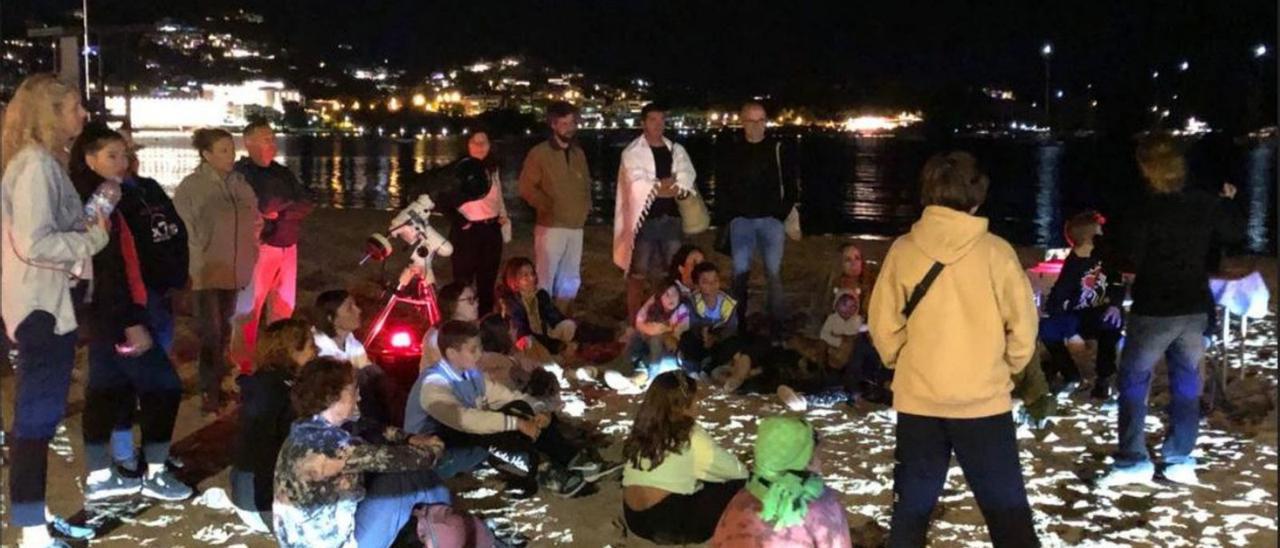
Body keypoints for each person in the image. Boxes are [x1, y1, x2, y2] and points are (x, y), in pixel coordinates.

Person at [867, 151, 1039, 547]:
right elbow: (1024, 328)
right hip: (982, 400)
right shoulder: (996, 252)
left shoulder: (904, 250)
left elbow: (882, 323)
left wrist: (901, 360)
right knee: (1007, 513)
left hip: (920, 398)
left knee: (911, 511)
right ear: (977, 194)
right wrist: (1008, 366)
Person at [1096, 134, 1243, 488]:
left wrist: (1103, 240)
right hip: (1194, 307)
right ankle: (1179, 457)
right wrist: (1227, 203)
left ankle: (1134, 458)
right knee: (1187, 383)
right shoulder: (1203, 203)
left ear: (1146, 169)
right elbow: (1234, 232)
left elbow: (1125, 255)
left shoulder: (1143, 208)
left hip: (1154, 308)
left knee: (1134, 381)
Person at [1, 73, 108, 548]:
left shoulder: (39, 164)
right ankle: (31, 530)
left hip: (39, 303)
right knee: (36, 419)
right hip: (39, 310)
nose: (83, 116)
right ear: (51, 113)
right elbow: (34, 241)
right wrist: (92, 238)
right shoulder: (35, 166)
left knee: (36, 417)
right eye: (74, 108)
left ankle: (34, 516)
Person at [68, 125, 190, 502]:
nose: (122, 163)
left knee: (105, 389)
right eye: (112, 157)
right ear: (89, 158)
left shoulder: (104, 192)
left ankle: (102, 475)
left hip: (103, 314)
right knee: (165, 386)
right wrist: (130, 320)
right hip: (116, 314)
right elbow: (107, 267)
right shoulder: (101, 198)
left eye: (125, 155)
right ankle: (154, 471)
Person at [273, 357, 463, 548]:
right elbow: (413, 460)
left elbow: (367, 426)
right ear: (332, 396)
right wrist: (435, 447)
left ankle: (445, 527)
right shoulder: (330, 447)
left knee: (407, 481)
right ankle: (450, 530)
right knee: (407, 478)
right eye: (353, 390)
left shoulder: (305, 430)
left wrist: (408, 438)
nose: (359, 397)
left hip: (302, 539)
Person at [405, 321, 607, 497]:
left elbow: (507, 397)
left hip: (466, 442)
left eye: (480, 348)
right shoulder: (433, 384)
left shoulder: (471, 374)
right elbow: (465, 420)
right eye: (473, 350)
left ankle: (567, 457)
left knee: (517, 408)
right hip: (435, 457)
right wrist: (517, 423)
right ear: (451, 353)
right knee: (487, 427)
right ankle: (540, 469)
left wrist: (538, 411)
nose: (480, 354)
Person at [103, 128, 190, 477]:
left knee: (158, 379)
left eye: (131, 153)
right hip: (133, 299)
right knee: (129, 378)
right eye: (121, 154)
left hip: (161, 293)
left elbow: (175, 230)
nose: (130, 159)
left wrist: (180, 275)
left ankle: (156, 450)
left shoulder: (150, 188)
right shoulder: (107, 197)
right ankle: (124, 452)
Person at [174, 127, 261, 414]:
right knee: (210, 333)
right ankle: (208, 391)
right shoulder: (192, 187)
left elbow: (254, 219)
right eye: (223, 150)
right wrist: (196, 266)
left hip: (236, 270)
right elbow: (186, 231)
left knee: (224, 331)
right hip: (207, 271)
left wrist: (253, 249)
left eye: (231, 149)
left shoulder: (240, 183)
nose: (230, 155)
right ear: (206, 154)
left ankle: (221, 383)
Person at [622, 371, 749, 544]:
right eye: (696, 399)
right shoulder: (691, 435)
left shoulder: (643, 428)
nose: (699, 404)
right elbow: (737, 472)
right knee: (740, 485)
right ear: (683, 404)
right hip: (669, 523)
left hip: (634, 518)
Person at [233, 120, 314, 372]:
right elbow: (262, 206)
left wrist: (280, 210)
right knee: (248, 312)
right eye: (266, 138)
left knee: (283, 308)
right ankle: (242, 368)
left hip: (288, 246)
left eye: (272, 138)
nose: (273, 143)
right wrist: (281, 207)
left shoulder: (282, 172)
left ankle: (279, 364)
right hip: (260, 248)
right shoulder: (242, 173)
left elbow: (305, 202)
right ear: (249, 142)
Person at [716, 102, 799, 332]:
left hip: (771, 222)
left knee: (773, 273)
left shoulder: (777, 148)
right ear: (742, 122)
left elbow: (791, 186)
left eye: (761, 120)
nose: (757, 126)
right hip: (741, 221)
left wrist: (779, 214)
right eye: (751, 121)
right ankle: (738, 322)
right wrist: (731, 214)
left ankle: (777, 322)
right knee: (740, 274)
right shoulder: (733, 150)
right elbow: (724, 184)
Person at [230, 319, 317, 533]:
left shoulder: (266, 383)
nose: (316, 351)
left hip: (248, 494)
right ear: (291, 351)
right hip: (262, 503)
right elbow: (270, 452)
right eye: (310, 346)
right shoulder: (281, 394)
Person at [710, 417, 851, 547]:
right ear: (804, 461)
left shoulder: (742, 498)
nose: (820, 462)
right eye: (815, 456)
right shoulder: (821, 504)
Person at [615, 103, 698, 319]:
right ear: (643, 123)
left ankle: (673, 317)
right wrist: (664, 187)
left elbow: (686, 178)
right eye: (653, 120)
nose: (658, 124)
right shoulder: (632, 152)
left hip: (671, 219)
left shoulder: (675, 150)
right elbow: (636, 185)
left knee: (674, 272)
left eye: (661, 120)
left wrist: (659, 187)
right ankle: (635, 320)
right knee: (638, 274)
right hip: (645, 222)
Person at [1038, 211, 1125, 398]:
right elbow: (1057, 299)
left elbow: (1118, 282)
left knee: (1111, 324)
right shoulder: (1073, 265)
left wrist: (1115, 305)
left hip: (1100, 312)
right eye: (1100, 232)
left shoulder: (1107, 257)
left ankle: (1104, 378)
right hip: (1075, 317)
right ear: (1091, 238)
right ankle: (1069, 373)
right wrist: (1071, 333)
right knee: (1046, 329)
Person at [518, 101, 591, 311]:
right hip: (551, 226)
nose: (569, 127)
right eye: (564, 123)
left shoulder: (578, 154)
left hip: (576, 226)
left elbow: (585, 184)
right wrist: (546, 206)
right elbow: (526, 187)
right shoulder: (539, 153)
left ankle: (560, 319)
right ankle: (539, 322)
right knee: (545, 278)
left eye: (572, 122)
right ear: (553, 124)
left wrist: (586, 207)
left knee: (570, 279)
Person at [313, 289, 406, 427]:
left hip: (356, 410)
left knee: (378, 377)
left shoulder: (349, 339)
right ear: (331, 318)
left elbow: (368, 369)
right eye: (350, 308)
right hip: (334, 418)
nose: (358, 310)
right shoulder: (318, 348)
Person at [446, 129, 511, 316]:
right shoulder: (459, 170)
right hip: (467, 233)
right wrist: (459, 220)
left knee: (487, 283)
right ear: (467, 144)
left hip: (491, 230)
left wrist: (502, 217)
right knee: (463, 283)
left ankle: (484, 323)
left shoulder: (492, 169)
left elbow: (498, 199)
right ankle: (460, 322)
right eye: (475, 142)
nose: (480, 147)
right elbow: (443, 200)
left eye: (484, 142)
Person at [495, 257, 577, 359]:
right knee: (528, 342)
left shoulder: (540, 295)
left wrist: (567, 323)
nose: (531, 278)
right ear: (514, 280)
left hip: (544, 334)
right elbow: (519, 327)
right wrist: (553, 344)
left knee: (568, 326)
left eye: (532, 274)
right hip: (524, 338)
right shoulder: (510, 301)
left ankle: (556, 351)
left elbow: (554, 315)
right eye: (525, 275)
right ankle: (552, 353)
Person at [419, 282, 482, 370]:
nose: (476, 304)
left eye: (475, 299)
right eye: (470, 300)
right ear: (452, 304)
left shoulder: (474, 328)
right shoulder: (437, 336)